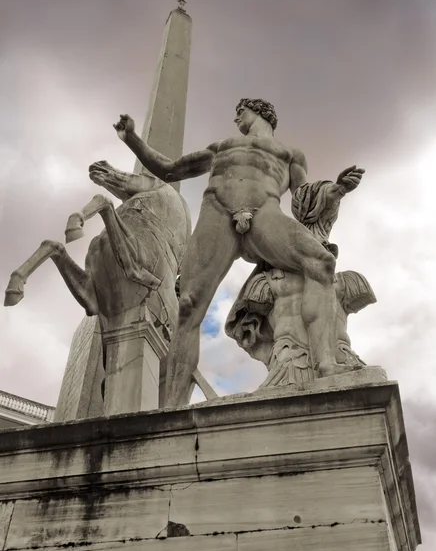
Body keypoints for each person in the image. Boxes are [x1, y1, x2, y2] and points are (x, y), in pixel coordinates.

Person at [114, 98, 364, 406]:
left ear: (259, 111)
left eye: (240, 112)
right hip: (217, 212)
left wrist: (336, 190)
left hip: (265, 213)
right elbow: (170, 170)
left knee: (322, 263)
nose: (236, 118)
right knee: (189, 305)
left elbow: (302, 199)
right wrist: (132, 139)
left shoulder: (289, 154)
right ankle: (172, 408)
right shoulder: (222, 146)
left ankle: (325, 363)